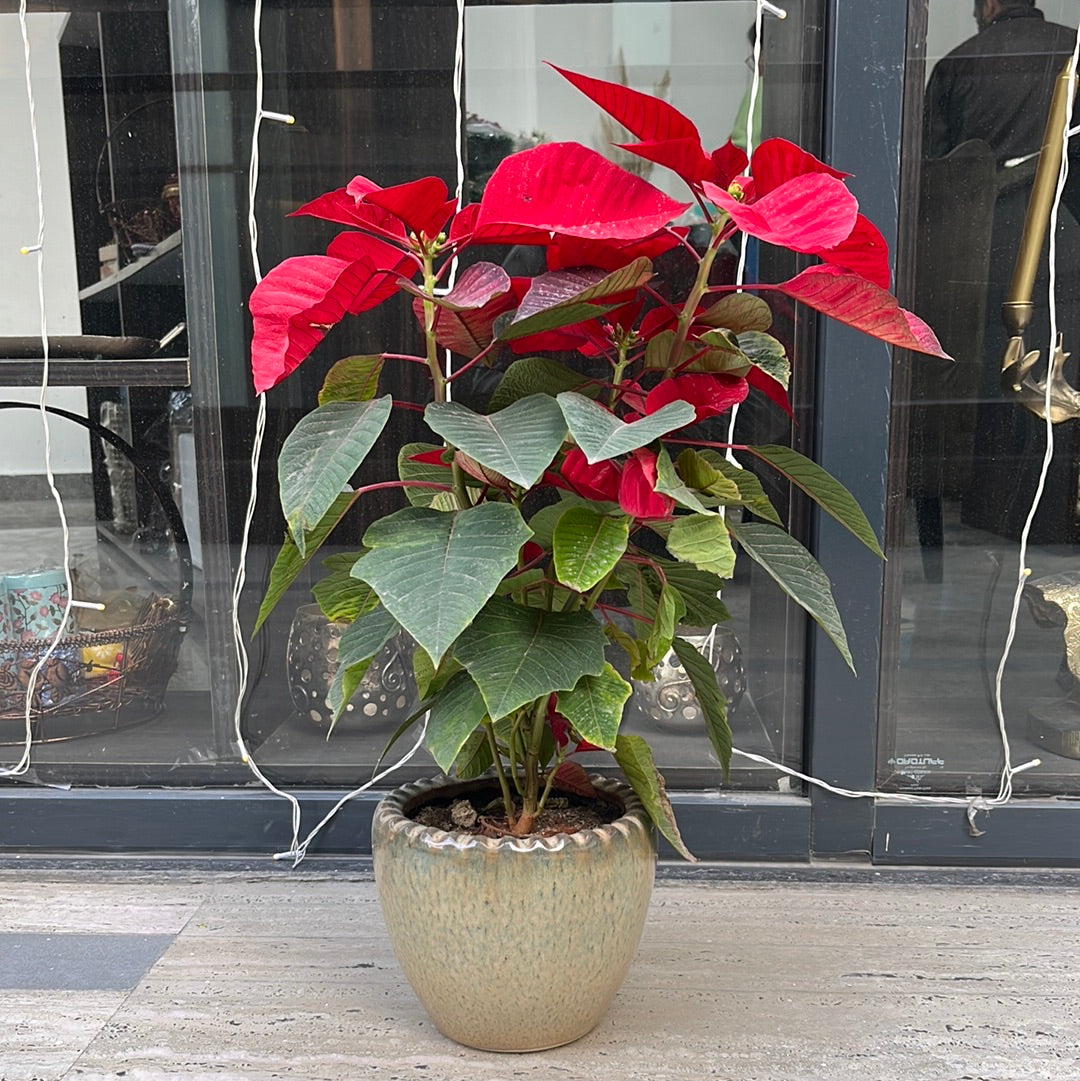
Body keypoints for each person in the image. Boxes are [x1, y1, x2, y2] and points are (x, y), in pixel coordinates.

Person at [918, 0, 1080, 546]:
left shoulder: (960, 63)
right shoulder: (1074, 47)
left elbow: (930, 170)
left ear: (987, 6)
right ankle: (1056, 512)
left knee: (997, 376)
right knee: (1063, 367)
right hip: (1068, 233)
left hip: (983, 241)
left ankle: (998, 510)